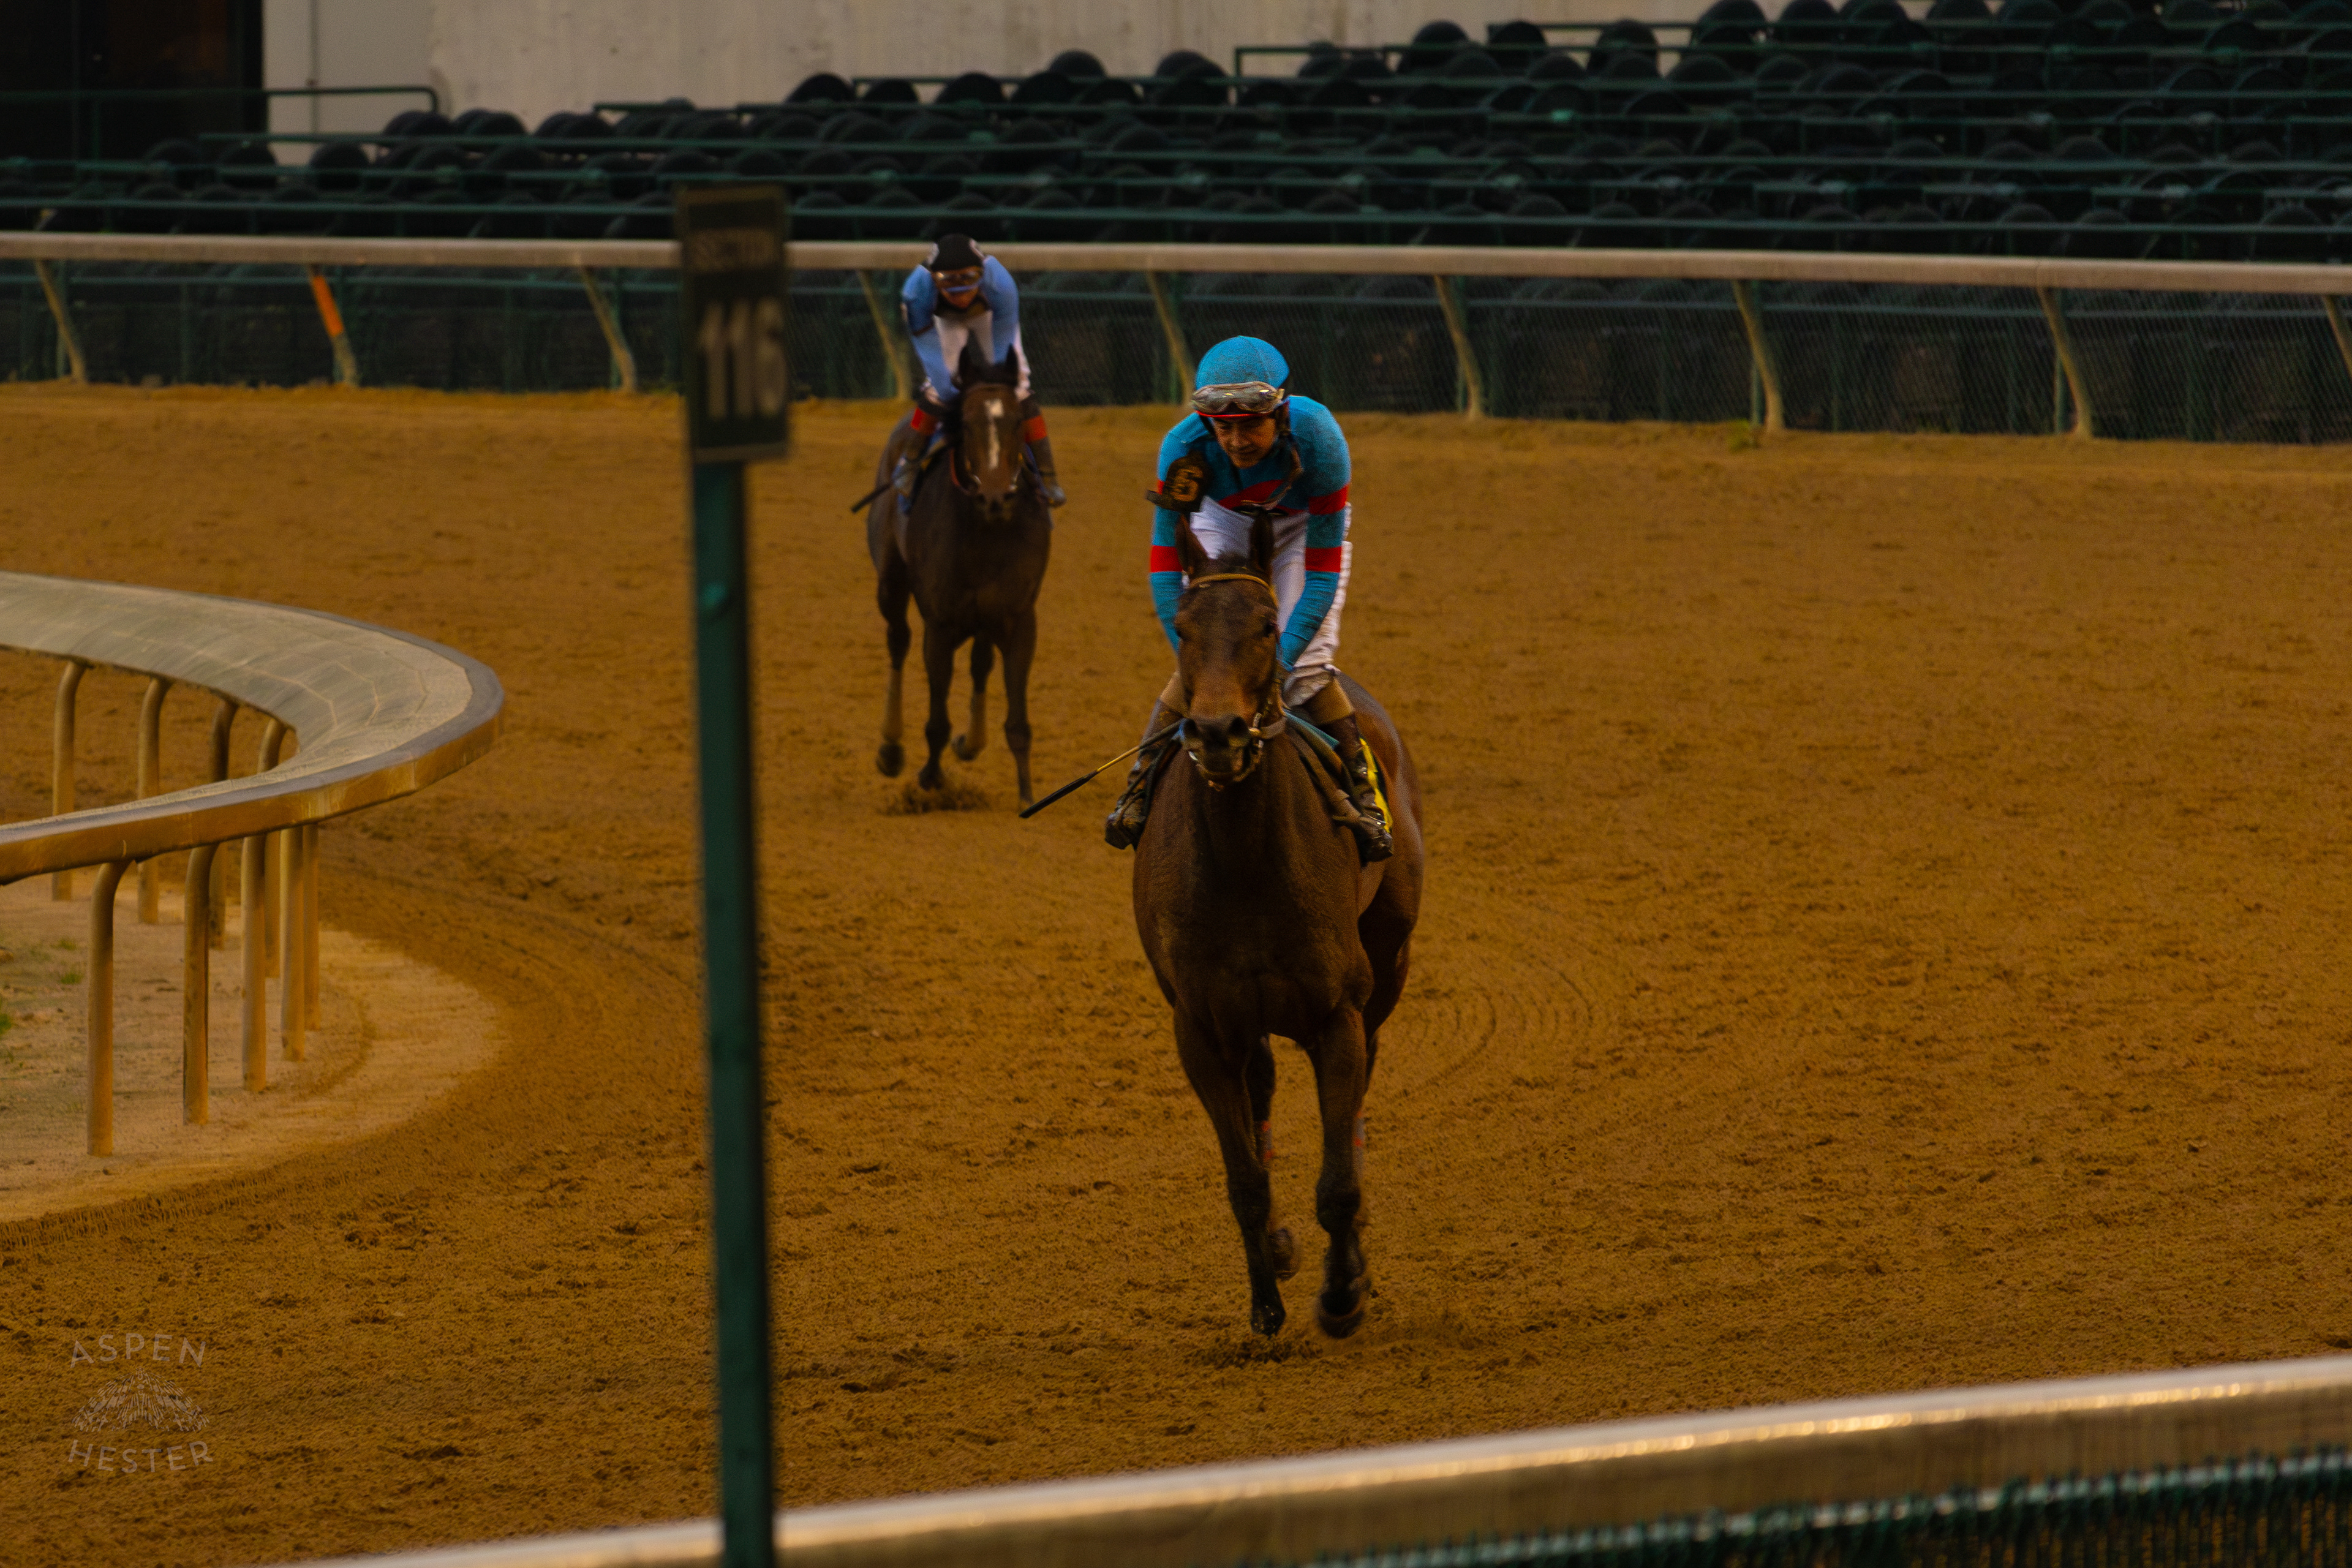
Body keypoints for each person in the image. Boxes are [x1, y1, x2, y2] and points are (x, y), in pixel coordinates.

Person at [1104, 335, 1392, 861]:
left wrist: (1278, 664)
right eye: (1224, 427)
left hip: (1302, 527)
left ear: (1281, 412)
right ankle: (1138, 784)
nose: (1236, 442)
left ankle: (1365, 795)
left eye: (1251, 425)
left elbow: (1321, 579)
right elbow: (1166, 570)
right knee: (1213, 646)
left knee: (1307, 668)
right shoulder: (1183, 449)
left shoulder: (1321, 441)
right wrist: (1194, 653)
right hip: (1222, 516)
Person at [891, 233, 1065, 508]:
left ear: (982, 276)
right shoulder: (917, 293)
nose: (962, 298)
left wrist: (1003, 385)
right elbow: (929, 352)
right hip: (943, 321)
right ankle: (909, 463)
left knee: (1018, 384)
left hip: (990, 316)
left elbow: (1004, 353)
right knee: (940, 388)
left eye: (969, 287)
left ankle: (1048, 476)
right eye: (951, 291)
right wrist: (949, 389)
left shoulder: (1000, 285)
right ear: (935, 282)